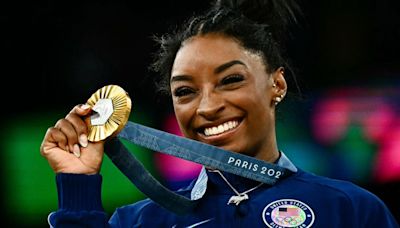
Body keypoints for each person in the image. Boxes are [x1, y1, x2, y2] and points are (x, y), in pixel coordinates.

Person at [40, 0, 399, 227]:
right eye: (185, 91)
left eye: (230, 80)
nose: (208, 107)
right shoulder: (140, 222)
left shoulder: (350, 210)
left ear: (277, 85)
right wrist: (78, 185)